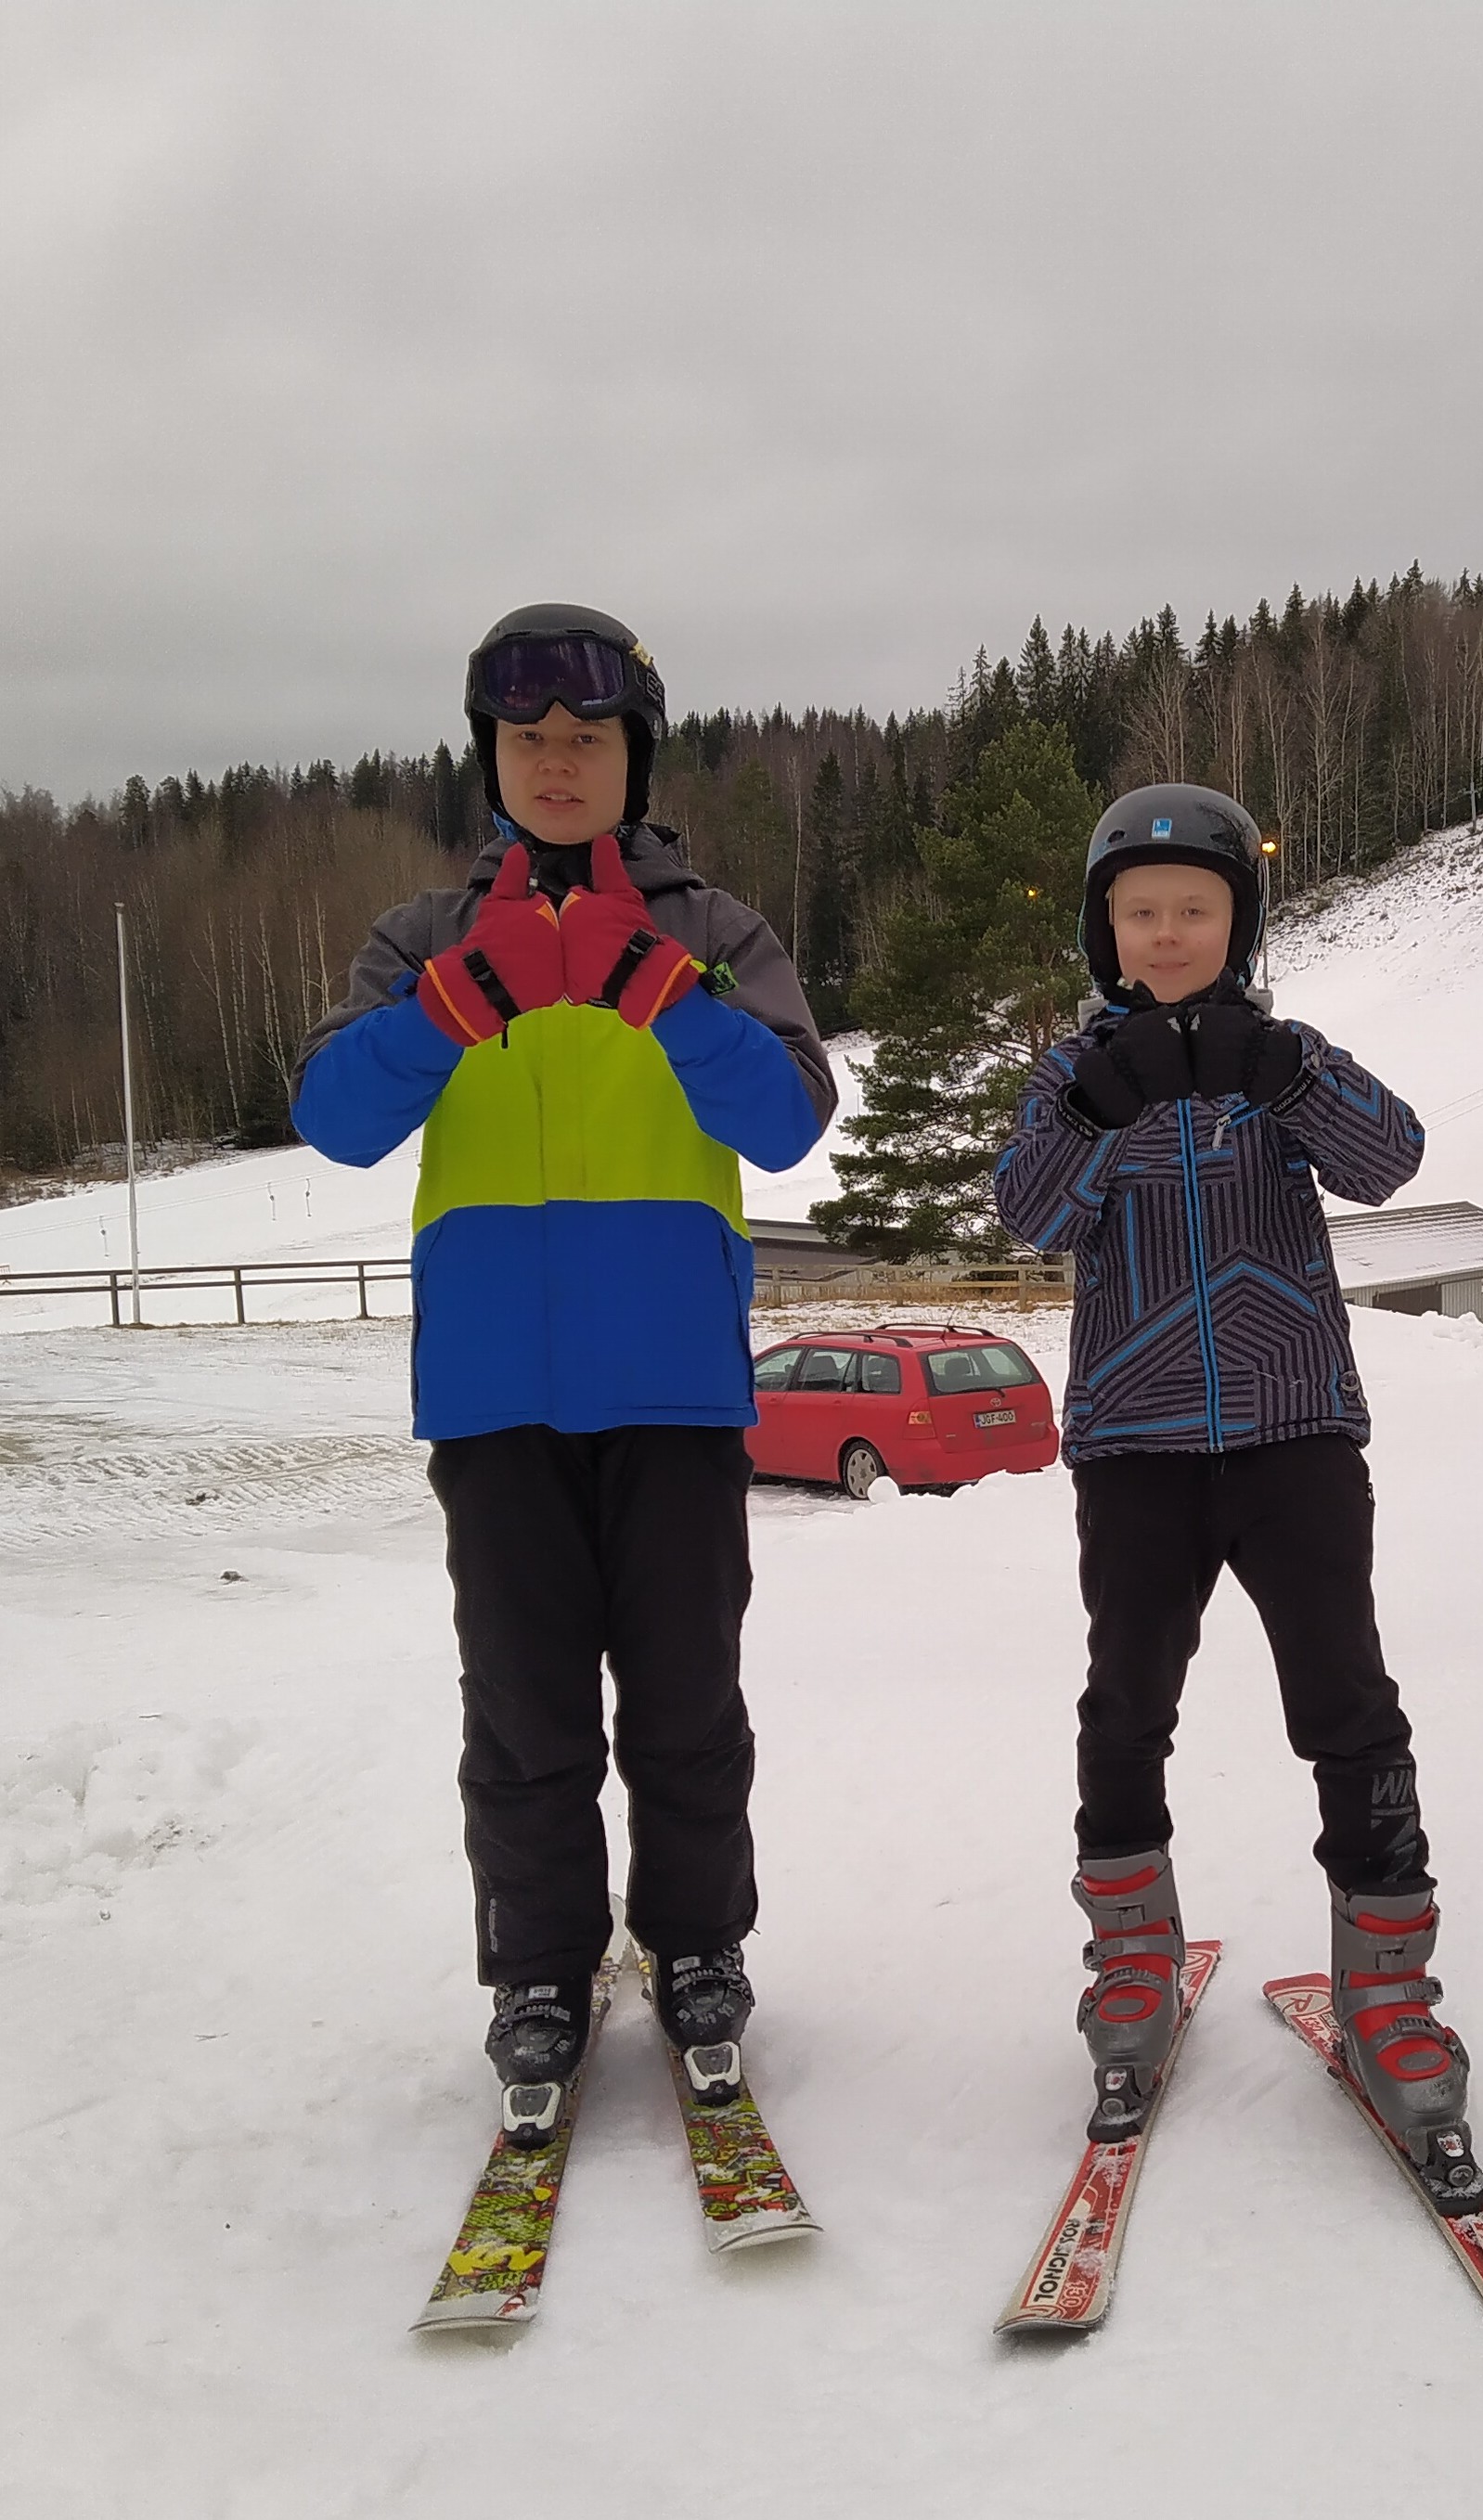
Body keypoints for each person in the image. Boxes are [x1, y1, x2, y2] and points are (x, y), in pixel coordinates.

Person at [290, 604, 833, 2141]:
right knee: (524, 1717)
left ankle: (697, 1946)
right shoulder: (424, 936)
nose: (554, 761)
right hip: (495, 1392)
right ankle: (537, 1970)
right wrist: (454, 1005)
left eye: (585, 736)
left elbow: (791, 1117)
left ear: (632, 756)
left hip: (673, 1384)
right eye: (525, 737)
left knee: (685, 1705)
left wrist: (659, 989)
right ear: (490, 757)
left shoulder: (713, 932)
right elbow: (333, 1118)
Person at [993, 783, 1483, 2212]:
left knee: (1346, 1698)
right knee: (1125, 1701)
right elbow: (1027, 1212)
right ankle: (1130, 1960)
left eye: (1194, 910)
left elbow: (1389, 1158)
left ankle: (1386, 1987)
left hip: (1295, 1433)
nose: (1165, 934)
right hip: (1135, 1446)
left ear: (1238, 924)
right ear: (1103, 932)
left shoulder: (1288, 1057)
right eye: (1139, 912)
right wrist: (1100, 1105)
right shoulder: (1067, 1072)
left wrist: (1284, 1075)